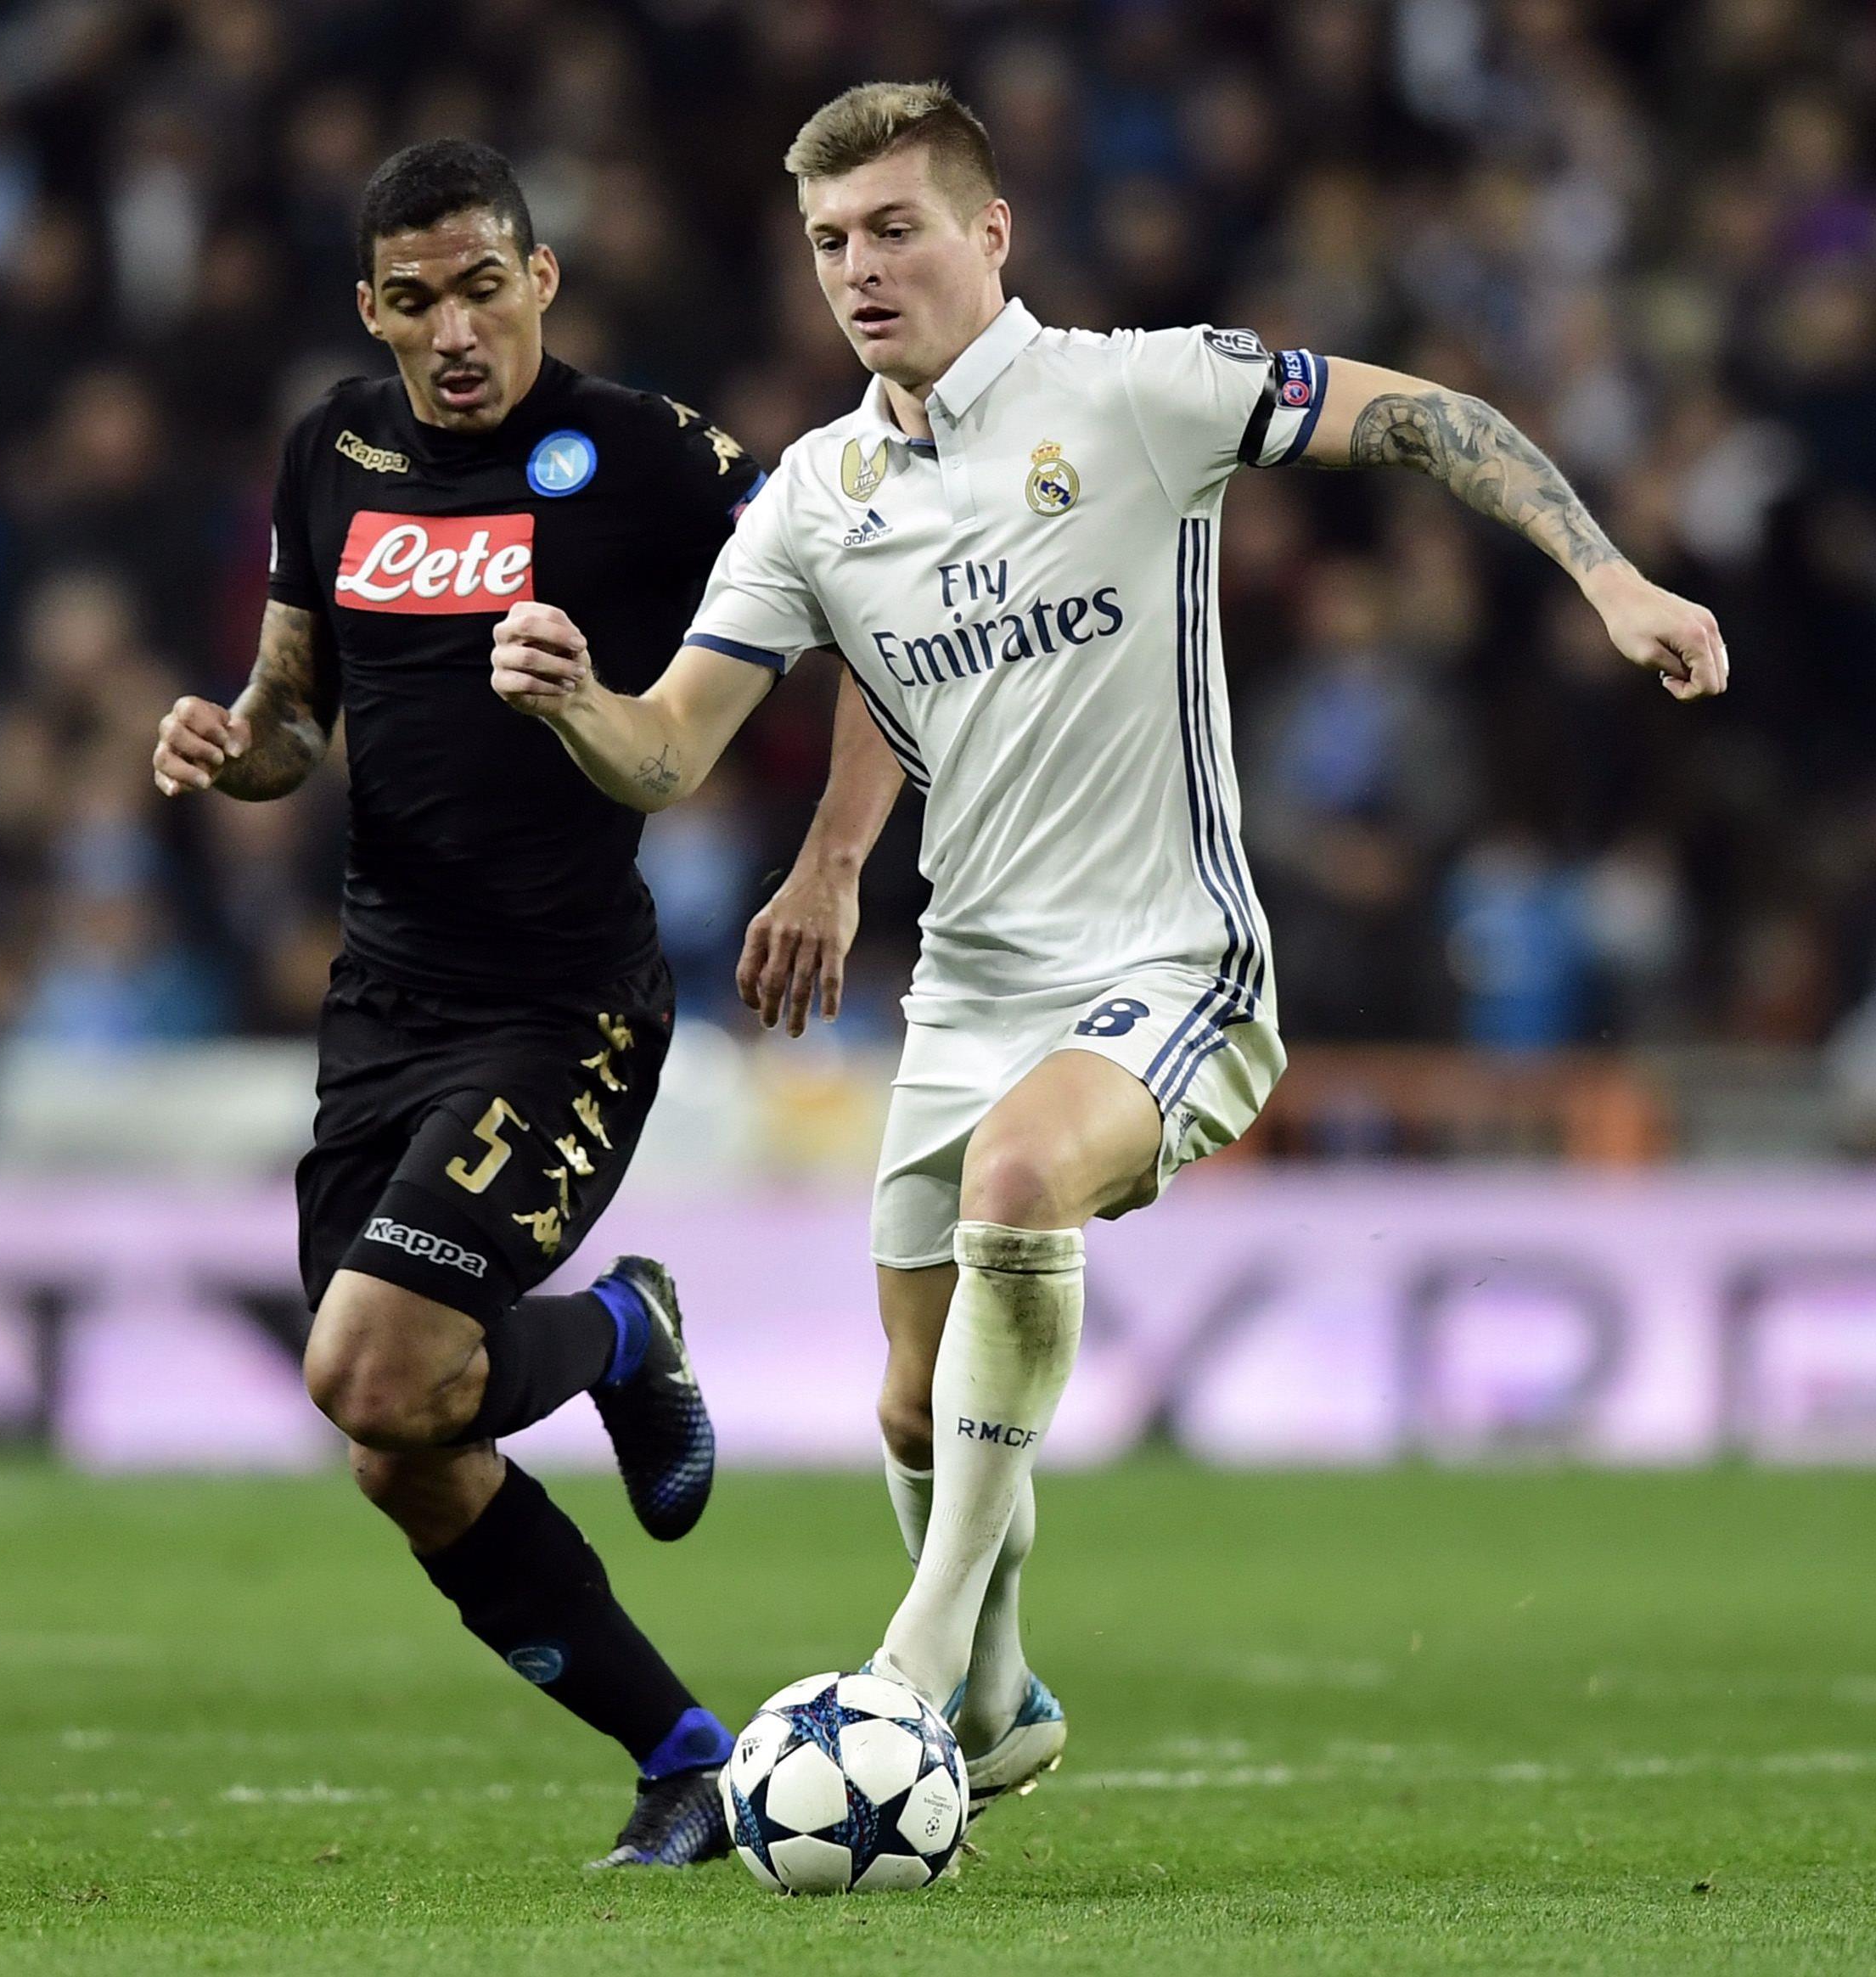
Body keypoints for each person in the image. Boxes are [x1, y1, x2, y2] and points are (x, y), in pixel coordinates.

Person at [490, 81, 1727, 1816]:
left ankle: (913, 1658)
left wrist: (1606, 581)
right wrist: (577, 707)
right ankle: (992, 1706)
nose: (859, 267)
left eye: (895, 227)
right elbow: (672, 747)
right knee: (915, 1408)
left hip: (1169, 956)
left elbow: (1428, 417)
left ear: (989, 233)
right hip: (969, 986)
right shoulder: (811, 501)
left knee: (1017, 1179)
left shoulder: (1138, 392)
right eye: (830, 241)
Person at [148, 140, 763, 1867]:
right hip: (383, 1010)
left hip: (562, 1007)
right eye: (413, 299)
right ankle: (681, 1754)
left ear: (540, 278)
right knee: (394, 1443)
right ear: (371, 311)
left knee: (372, 1363)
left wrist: (828, 855)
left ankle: (625, 1333)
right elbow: (290, 717)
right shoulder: (328, 453)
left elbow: (838, 568)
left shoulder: (640, 454)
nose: (453, 328)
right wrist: (230, 741)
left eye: (483, 285)